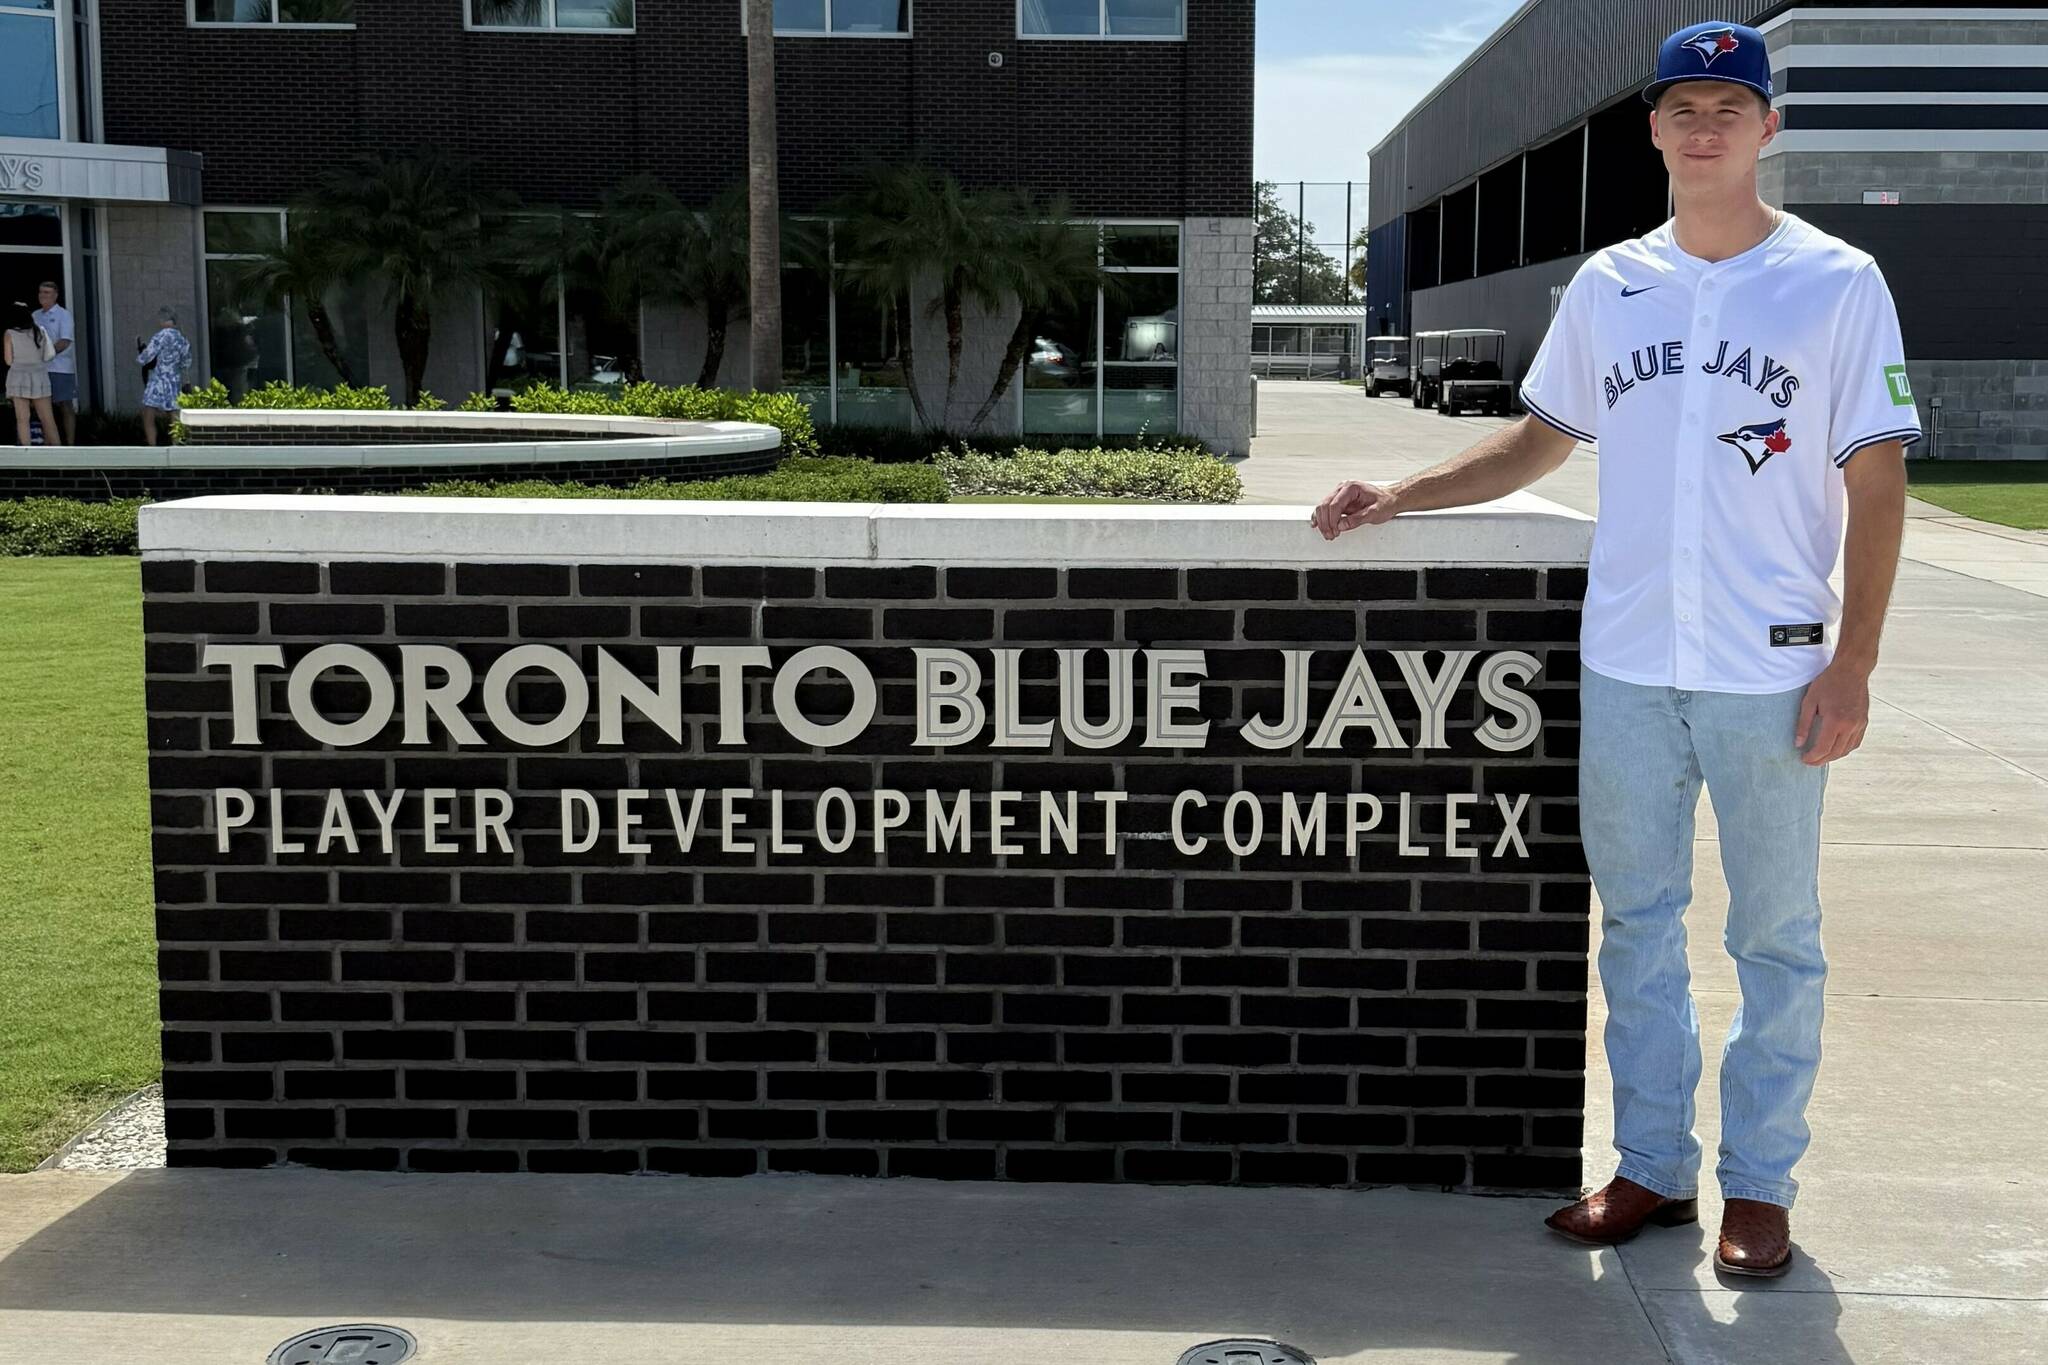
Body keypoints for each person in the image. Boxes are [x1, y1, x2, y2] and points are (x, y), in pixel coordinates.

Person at [1311, 18, 1919, 1281]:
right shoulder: (1608, 282)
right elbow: (1537, 442)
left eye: (1727, 107)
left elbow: (1874, 482)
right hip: (1631, 662)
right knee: (1637, 926)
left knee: (1774, 938)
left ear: (1766, 128)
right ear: (1650, 128)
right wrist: (1400, 494)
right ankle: (1652, 1165)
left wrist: (1852, 661)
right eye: (1681, 108)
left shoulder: (1835, 280)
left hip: (1770, 668)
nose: (1703, 127)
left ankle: (1759, 1186)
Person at [4, 300, 62, 447]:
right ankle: (59, 453)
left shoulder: (10, 334)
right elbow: (46, 354)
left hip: (18, 376)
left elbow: (8, 360)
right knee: (47, 419)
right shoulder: (39, 331)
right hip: (39, 375)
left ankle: (27, 454)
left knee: (23, 419)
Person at [137, 307, 194, 447]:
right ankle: (176, 445)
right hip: (174, 380)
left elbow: (146, 357)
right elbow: (186, 362)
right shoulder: (182, 339)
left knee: (148, 413)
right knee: (174, 414)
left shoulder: (160, 336)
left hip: (158, 379)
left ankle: (153, 446)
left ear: (162, 320)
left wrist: (140, 352)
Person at [33, 280, 76, 446]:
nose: (43, 295)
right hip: (39, 369)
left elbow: (65, 341)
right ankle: (48, 444)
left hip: (61, 368)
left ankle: (70, 445)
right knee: (44, 407)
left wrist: (47, 354)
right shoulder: (35, 316)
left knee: (65, 405)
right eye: (41, 292)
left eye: (47, 292)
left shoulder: (63, 315)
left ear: (55, 295)